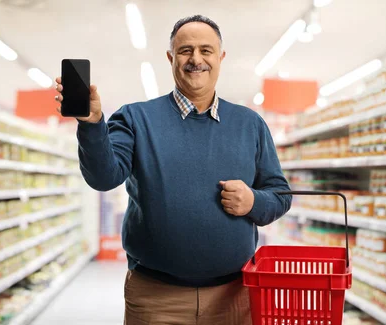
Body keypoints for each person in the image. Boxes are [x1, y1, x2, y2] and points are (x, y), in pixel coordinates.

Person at [54, 14, 292, 325]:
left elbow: (280, 194)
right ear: (170, 58)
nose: (196, 59)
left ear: (221, 57)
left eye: (206, 50)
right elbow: (103, 177)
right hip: (155, 299)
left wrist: (253, 202)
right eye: (185, 51)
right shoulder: (136, 118)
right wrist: (92, 125)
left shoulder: (250, 124)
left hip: (234, 296)